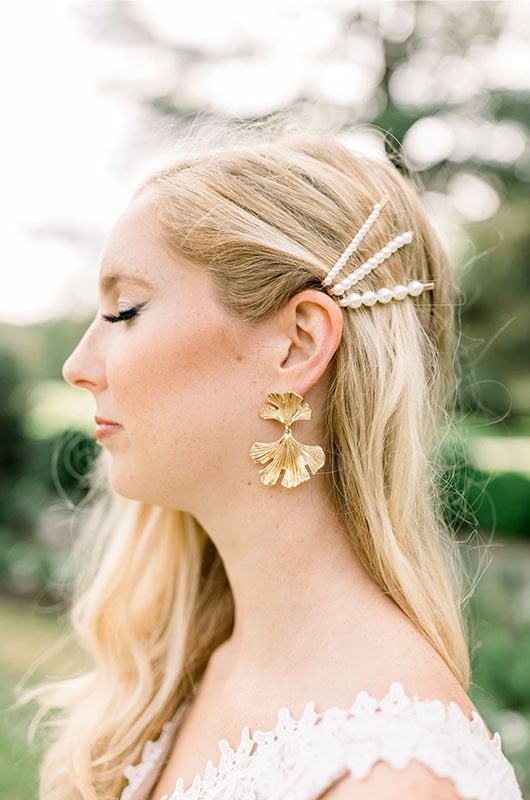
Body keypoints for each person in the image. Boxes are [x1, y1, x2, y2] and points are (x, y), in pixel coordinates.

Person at [28, 128, 523, 799]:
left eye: (125, 310)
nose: (78, 367)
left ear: (297, 343)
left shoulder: (394, 777)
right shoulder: (187, 670)